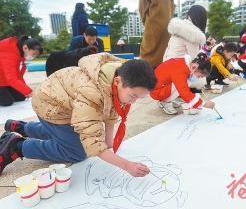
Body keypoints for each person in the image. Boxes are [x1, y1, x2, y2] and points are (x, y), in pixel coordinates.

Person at [0, 53, 158, 176]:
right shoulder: (92, 92)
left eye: (138, 98)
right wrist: (127, 165)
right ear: (117, 81)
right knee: (77, 151)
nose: (132, 102)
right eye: (132, 96)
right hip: (49, 105)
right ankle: (17, 146)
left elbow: (111, 111)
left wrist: (109, 143)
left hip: (63, 100)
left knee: (65, 133)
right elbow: (93, 144)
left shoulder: (115, 77)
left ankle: (23, 127)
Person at [150, 52, 215, 115]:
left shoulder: (183, 63)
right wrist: (204, 103)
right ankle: (165, 102)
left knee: (184, 82)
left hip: (157, 87)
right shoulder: (181, 70)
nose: (197, 78)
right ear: (193, 68)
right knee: (184, 83)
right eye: (199, 76)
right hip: (157, 92)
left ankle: (167, 99)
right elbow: (184, 92)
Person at [0, 36, 43, 107]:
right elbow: (12, 78)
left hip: (5, 82)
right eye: (34, 53)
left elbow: (18, 76)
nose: (34, 57)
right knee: (7, 101)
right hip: (3, 81)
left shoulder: (19, 55)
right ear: (25, 48)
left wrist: (26, 91)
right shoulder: (9, 54)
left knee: (22, 96)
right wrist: (30, 92)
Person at [139, 0, 175, 68]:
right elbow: (173, 8)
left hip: (153, 27)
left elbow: (142, 8)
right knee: (164, 59)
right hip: (168, 29)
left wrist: (148, 24)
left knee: (147, 59)